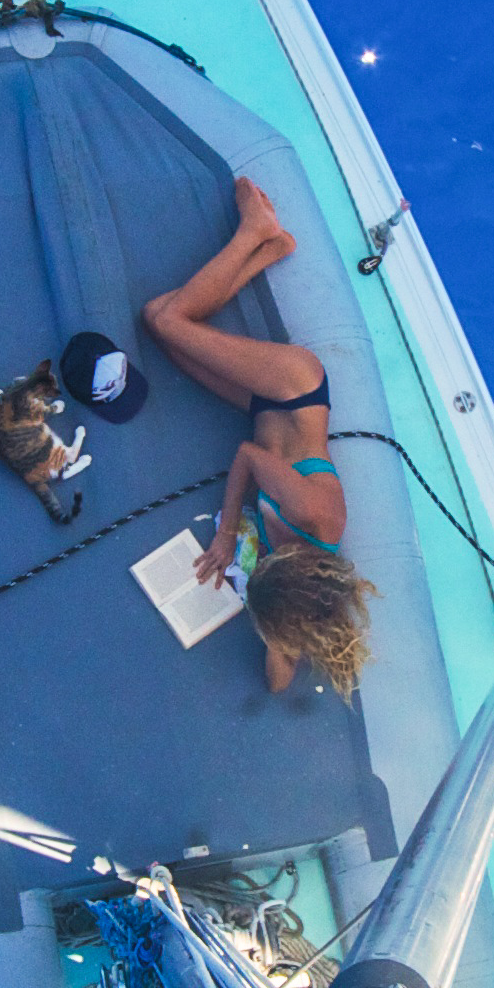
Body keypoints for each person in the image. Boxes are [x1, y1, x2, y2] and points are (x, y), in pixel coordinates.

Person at [140, 178, 375, 694]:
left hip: (258, 413)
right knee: (165, 318)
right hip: (294, 391)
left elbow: (276, 684)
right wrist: (225, 538)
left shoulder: (293, 590)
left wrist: (280, 636)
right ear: (296, 569)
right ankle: (256, 233)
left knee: (160, 326)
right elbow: (247, 456)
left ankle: (273, 249)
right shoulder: (316, 518)